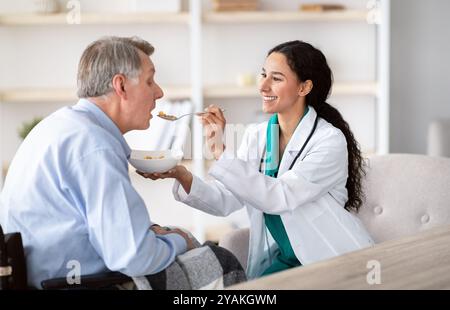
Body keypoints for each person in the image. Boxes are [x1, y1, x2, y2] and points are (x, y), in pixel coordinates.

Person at [139, 40, 375, 279]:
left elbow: (279, 196)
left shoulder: (329, 141)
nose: (262, 85)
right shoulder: (258, 136)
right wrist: (181, 174)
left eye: (276, 78)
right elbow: (226, 199)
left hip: (330, 259)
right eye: (263, 74)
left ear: (304, 87)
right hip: (288, 259)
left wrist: (221, 153)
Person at [0, 36, 197, 288]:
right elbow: (133, 257)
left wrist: (154, 231)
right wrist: (181, 239)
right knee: (218, 259)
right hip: (81, 284)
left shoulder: (60, 126)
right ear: (121, 86)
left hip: (44, 277)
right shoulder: (95, 145)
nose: (159, 92)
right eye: (150, 81)